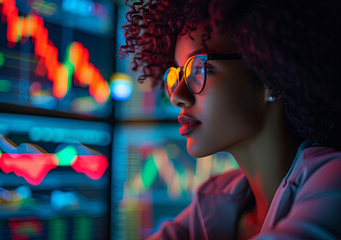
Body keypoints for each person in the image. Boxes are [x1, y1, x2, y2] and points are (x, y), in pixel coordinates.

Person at [120, 0, 341, 239]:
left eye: (199, 69)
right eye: (177, 74)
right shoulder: (217, 197)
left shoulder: (334, 179)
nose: (177, 96)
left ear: (270, 77)